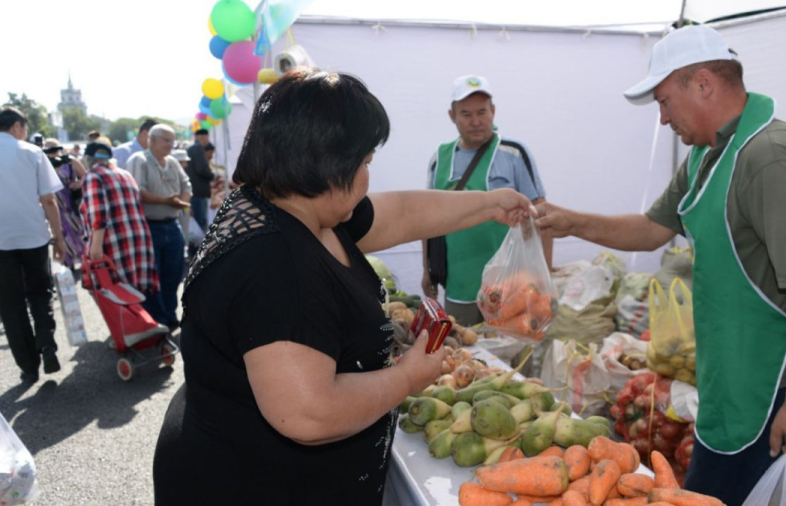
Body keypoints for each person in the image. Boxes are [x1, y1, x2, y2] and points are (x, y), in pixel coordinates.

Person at [152, 68, 535, 505]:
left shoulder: (291, 204)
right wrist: (407, 376)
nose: (368, 176)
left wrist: (490, 204)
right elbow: (309, 413)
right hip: (249, 484)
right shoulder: (274, 261)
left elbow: (404, 213)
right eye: (366, 162)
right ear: (327, 162)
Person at [536, 25, 786, 504]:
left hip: (771, 383)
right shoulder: (705, 154)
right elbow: (653, 228)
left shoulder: (769, 158)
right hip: (726, 371)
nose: (662, 120)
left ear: (703, 83)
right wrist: (570, 221)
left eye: (663, 102)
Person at [421, 74, 551, 326]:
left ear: (493, 110)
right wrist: (427, 270)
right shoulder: (440, 158)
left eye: (482, 112)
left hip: (511, 284)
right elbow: (427, 219)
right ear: (452, 116)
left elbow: (543, 216)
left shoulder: (513, 153)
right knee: (465, 353)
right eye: (466, 114)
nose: (476, 121)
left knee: (512, 354)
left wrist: (543, 276)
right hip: (459, 284)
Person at [0, 106, 65, 382]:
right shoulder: (31, 152)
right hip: (34, 235)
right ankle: (47, 345)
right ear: (17, 126)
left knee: (11, 303)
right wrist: (59, 238)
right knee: (40, 292)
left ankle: (28, 365)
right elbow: (49, 200)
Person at [130, 124, 191, 331]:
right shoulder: (139, 160)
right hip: (149, 227)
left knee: (173, 274)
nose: (171, 144)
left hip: (172, 224)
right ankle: (155, 320)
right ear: (153, 140)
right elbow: (139, 192)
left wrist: (179, 202)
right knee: (152, 276)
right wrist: (168, 201)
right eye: (166, 140)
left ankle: (169, 314)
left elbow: (187, 186)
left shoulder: (173, 162)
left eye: (172, 140)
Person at [80, 140, 159, 297]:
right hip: (138, 238)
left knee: (117, 295)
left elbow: (98, 214)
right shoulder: (124, 174)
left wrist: (95, 248)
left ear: (87, 159)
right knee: (136, 292)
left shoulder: (93, 176)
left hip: (114, 241)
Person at [42, 139, 86, 269]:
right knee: (62, 233)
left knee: (80, 232)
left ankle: (85, 262)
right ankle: (68, 263)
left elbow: (86, 176)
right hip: (56, 206)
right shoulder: (44, 165)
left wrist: (78, 184)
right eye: (48, 151)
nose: (52, 154)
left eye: (54, 150)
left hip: (73, 204)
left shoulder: (70, 161)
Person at [185, 129, 215, 235]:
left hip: (195, 190)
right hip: (198, 191)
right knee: (200, 221)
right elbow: (201, 169)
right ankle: (200, 249)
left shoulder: (191, 149)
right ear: (203, 137)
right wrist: (213, 176)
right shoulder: (198, 148)